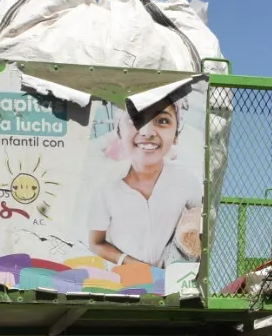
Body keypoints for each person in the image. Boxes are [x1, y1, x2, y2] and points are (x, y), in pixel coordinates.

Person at [87, 99, 203, 271]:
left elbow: (201, 221)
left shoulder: (187, 181)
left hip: (169, 288)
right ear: (119, 131)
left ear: (176, 135)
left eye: (162, 121)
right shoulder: (105, 186)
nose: (147, 132)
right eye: (136, 120)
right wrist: (132, 264)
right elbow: (95, 243)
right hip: (120, 287)